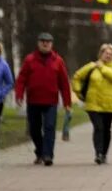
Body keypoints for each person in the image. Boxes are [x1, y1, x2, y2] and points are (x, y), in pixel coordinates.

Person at [15, 32, 72, 166]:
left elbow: (64, 83)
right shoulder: (30, 59)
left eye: (48, 42)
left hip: (51, 101)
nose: (45, 44)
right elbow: (21, 79)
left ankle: (48, 155)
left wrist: (67, 102)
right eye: (42, 41)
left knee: (50, 127)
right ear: (38, 43)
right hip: (33, 100)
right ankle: (40, 151)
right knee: (34, 129)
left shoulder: (58, 60)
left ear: (51, 44)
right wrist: (19, 94)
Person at [73, 43, 112, 165]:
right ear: (101, 54)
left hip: (109, 105)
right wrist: (78, 92)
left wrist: (101, 67)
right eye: (106, 53)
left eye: (111, 54)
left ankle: (104, 153)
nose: (108, 56)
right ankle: (98, 154)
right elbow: (77, 76)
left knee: (107, 129)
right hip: (93, 104)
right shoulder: (91, 66)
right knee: (98, 128)